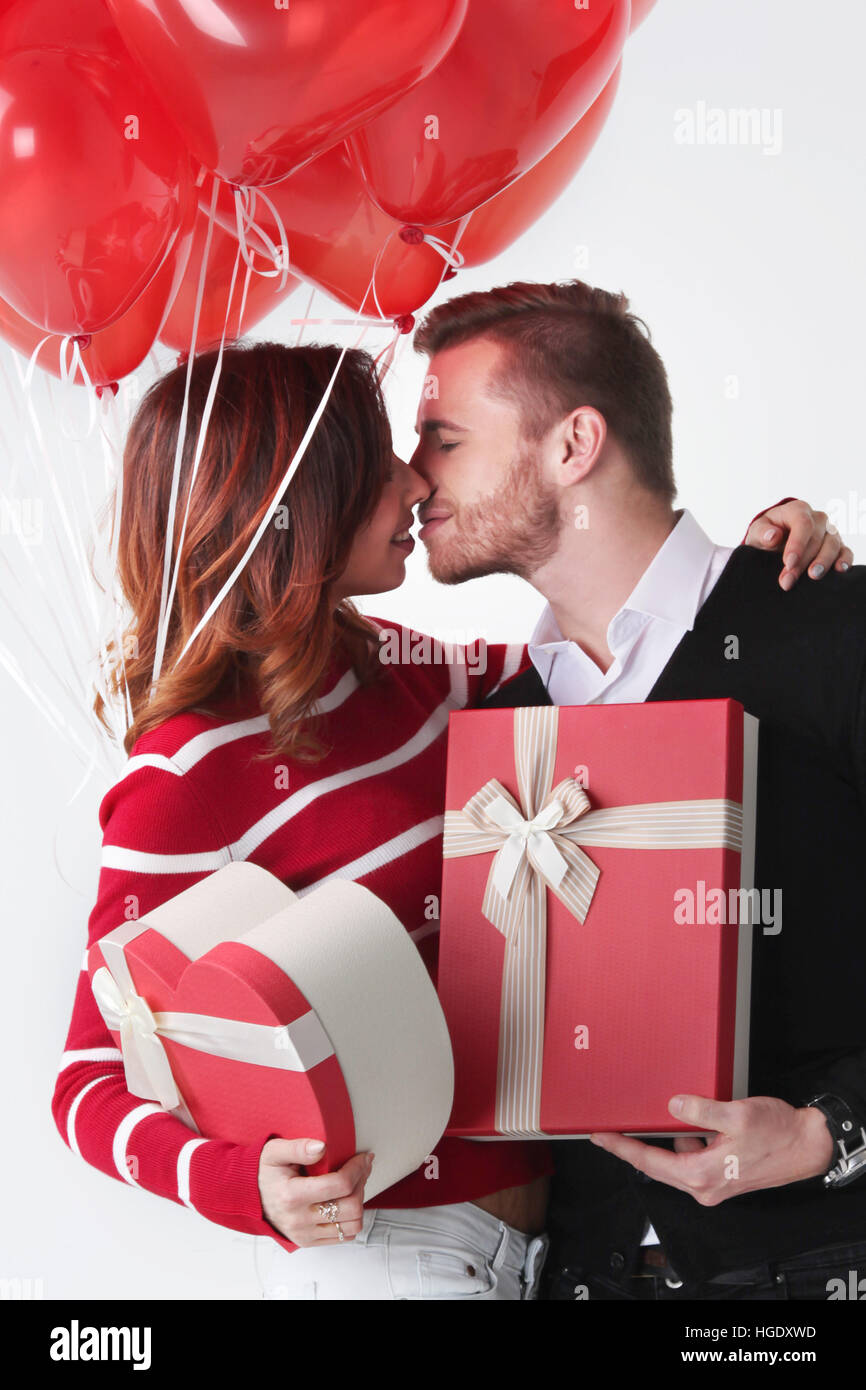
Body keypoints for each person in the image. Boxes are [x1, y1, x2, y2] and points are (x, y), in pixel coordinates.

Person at [51, 335, 840, 1302]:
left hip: (556, 1251)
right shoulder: (187, 767)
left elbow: (626, 651)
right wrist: (240, 1186)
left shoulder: (416, 672)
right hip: (397, 1253)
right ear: (297, 504)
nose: (411, 481)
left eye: (425, 444)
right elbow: (88, 1080)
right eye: (377, 458)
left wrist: (752, 577)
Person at [407, 278, 866, 1301]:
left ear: (571, 445)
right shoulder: (492, 723)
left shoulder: (832, 630)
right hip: (582, 1277)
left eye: (443, 439)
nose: (410, 479)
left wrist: (823, 1134)